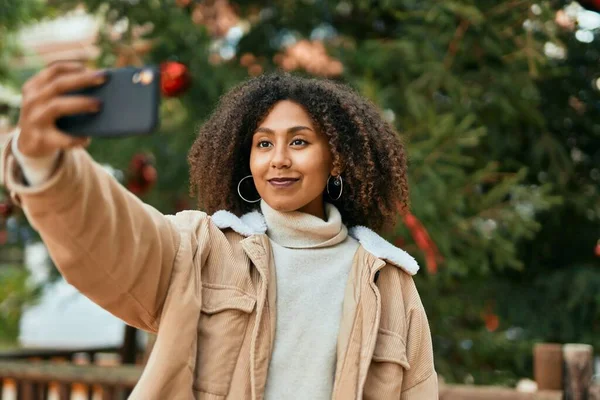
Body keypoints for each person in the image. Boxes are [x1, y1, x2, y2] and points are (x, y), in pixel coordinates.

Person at [1, 61, 438, 399]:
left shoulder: (391, 285)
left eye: (299, 142)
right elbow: (112, 237)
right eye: (264, 143)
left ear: (337, 159)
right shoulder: (202, 248)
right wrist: (46, 165)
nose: (278, 159)